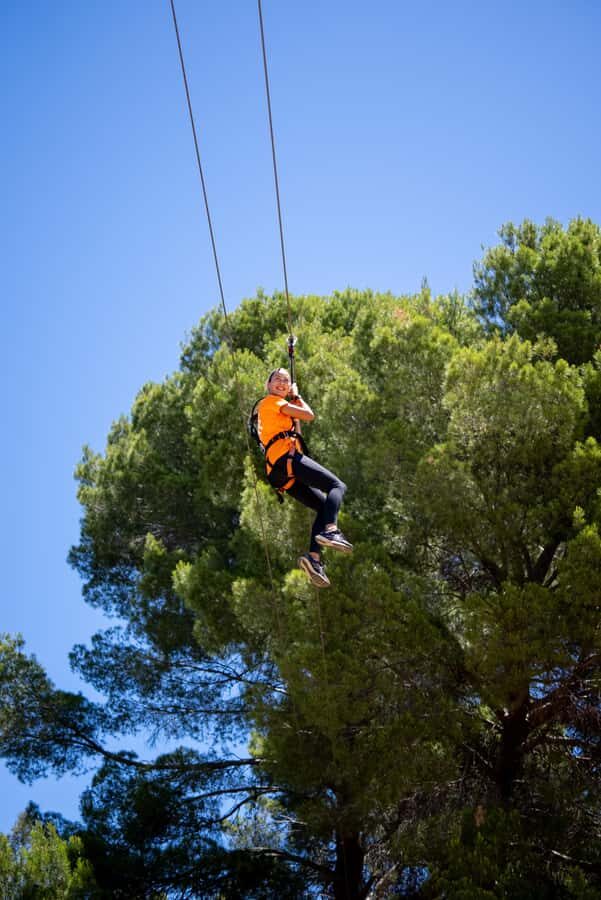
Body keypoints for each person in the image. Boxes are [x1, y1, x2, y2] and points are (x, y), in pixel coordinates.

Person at [257, 367, 352, 588]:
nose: (282, 383)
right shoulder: (272, 402)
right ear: (269, 386)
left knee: (323, 505)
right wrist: (297, 397)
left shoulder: (276, 409)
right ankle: (331, 531)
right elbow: (309, 415)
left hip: (280, 472)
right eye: (277, 379)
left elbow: (297, 429)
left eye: (286, 380)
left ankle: (314, 559)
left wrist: (293, 401)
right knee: (337, 485)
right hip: (286, 458)